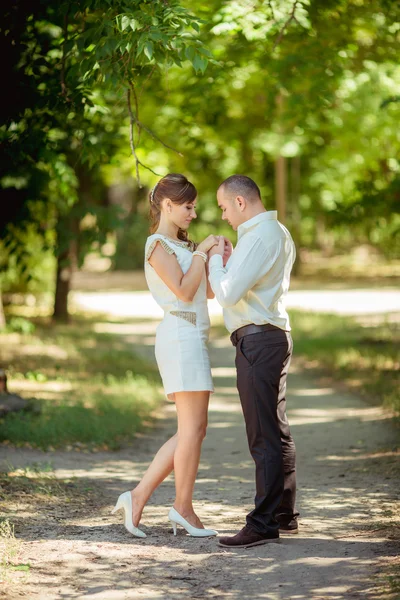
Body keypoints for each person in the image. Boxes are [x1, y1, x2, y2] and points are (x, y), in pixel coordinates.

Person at [112, 173, 219, 539]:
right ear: (167, 205)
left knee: (194, 430)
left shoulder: (185, 247)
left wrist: (216, 257)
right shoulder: (157, 246)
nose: (193, 212)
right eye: (188, 206)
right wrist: (203, 252)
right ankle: (182, 507)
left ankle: (138, 497)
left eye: (194, 205)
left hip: (193, 336)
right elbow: (184, 293)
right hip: (179, 336)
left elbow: (206, 294)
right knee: (192, 429)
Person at [208, 174, 299, 548]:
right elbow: (246, 284)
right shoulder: (274, 232)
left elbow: (226, 295)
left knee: (263, 434)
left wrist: (214, 258)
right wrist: (230, 261)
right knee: (276, 430)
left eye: (224, 206)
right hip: (269, 337)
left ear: (241, 202)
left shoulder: (259, 236)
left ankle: (263, 523)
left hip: (259, 341)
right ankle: (283, 514)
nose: (224, 215)